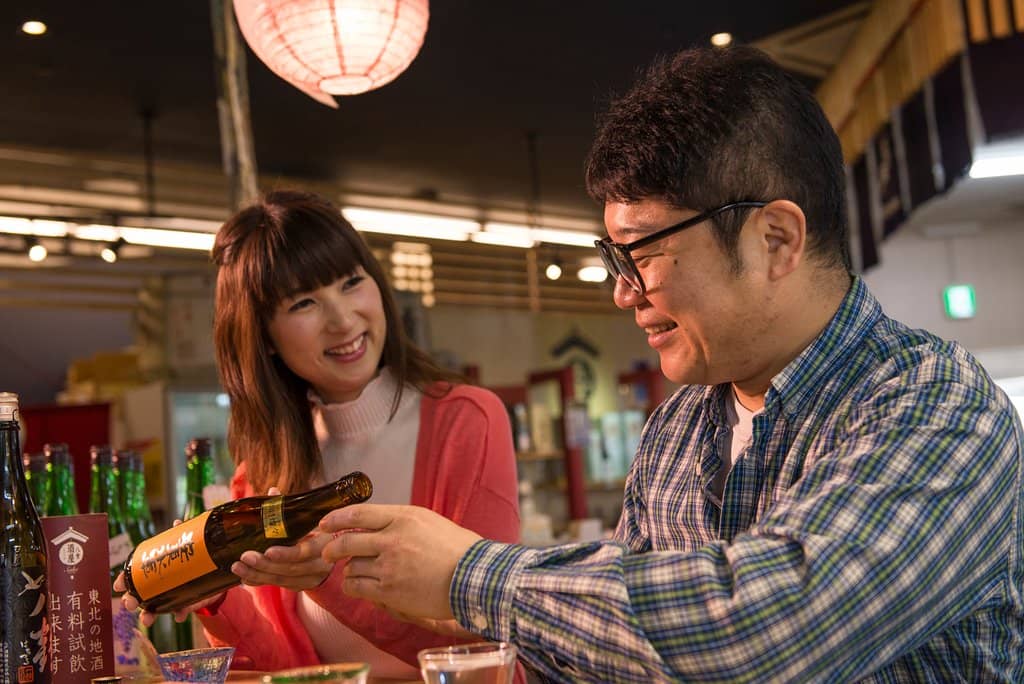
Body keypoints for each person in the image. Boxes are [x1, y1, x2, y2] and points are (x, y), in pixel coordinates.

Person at [317, 46, 1024, 682]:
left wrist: (476, 576)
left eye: (644, 253)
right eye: (615, 258)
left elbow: (766, 636)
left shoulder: (939, 406)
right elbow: (628, 659)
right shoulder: (679, 430)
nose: (625, 291)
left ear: (775, 240)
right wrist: (367, 572)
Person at [119, 190, 521, 677]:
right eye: (305, 302)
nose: (343, 319)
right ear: (264, 337)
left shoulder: (467, 422)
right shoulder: (264, 478)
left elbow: (488, 648)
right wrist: (219, 599)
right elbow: (286, 671)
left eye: (352, 283)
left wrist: (328, 579)